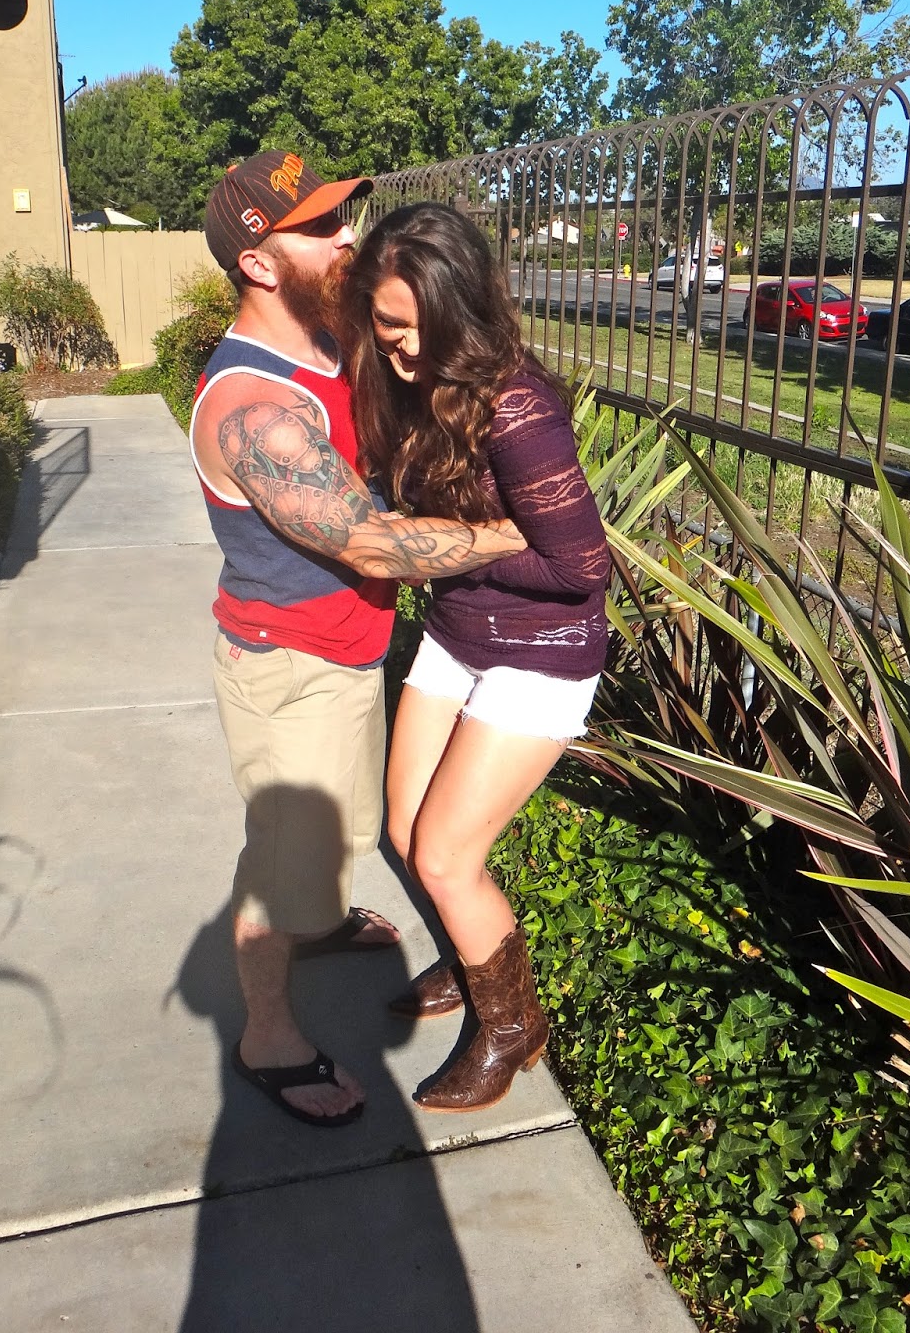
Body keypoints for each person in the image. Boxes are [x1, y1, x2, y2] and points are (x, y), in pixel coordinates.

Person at [191, 153, 527, 1129]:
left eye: (343, 217)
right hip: (289, 669)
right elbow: (372, 542)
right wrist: (523, 532)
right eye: (320, 229)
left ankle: (327, 918)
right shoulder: (253, 409)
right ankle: (268, 1037)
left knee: (343, 829)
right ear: (259, 263)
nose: (348, 238)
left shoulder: (330, 340)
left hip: (349, 648)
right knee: (282, 867)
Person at [338, 201, 610, 1113]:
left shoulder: (517, 408)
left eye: (419, 328)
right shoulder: (405, 385)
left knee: (449, 857)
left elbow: (580, 567)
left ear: (464, 313)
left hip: (542, 651)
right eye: (387, 324)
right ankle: (471, 959)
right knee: (407, 830)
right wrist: (468, 541)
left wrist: (459, 545)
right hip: (458, 635)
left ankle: (511, 1027)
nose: (402, 348)